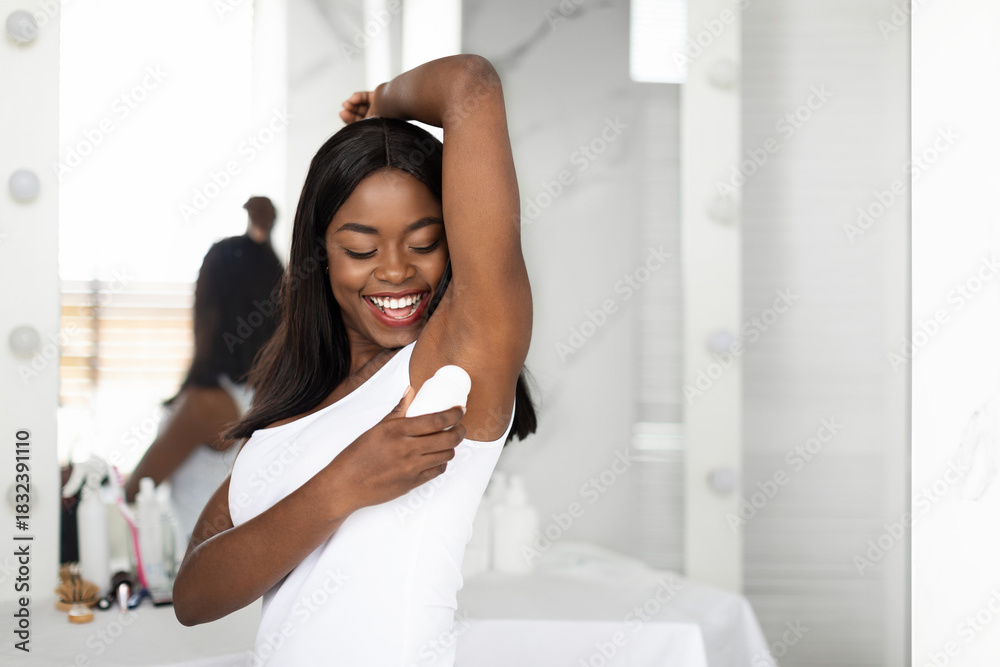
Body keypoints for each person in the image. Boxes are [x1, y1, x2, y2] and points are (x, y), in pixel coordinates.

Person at [172, 55, 536, 665]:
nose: (395, 270)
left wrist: (384, 103)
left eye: (425, 243)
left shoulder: (453, 365)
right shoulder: (297, 401)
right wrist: (343, 485)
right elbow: (194, 594)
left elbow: (469, 85)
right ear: (320, 255)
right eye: (361, 249)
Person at [124, 196, 285, 546]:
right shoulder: (277, 392)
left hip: (195, 565)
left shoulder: (207, 405)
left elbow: (135, 490)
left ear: (212, 309)